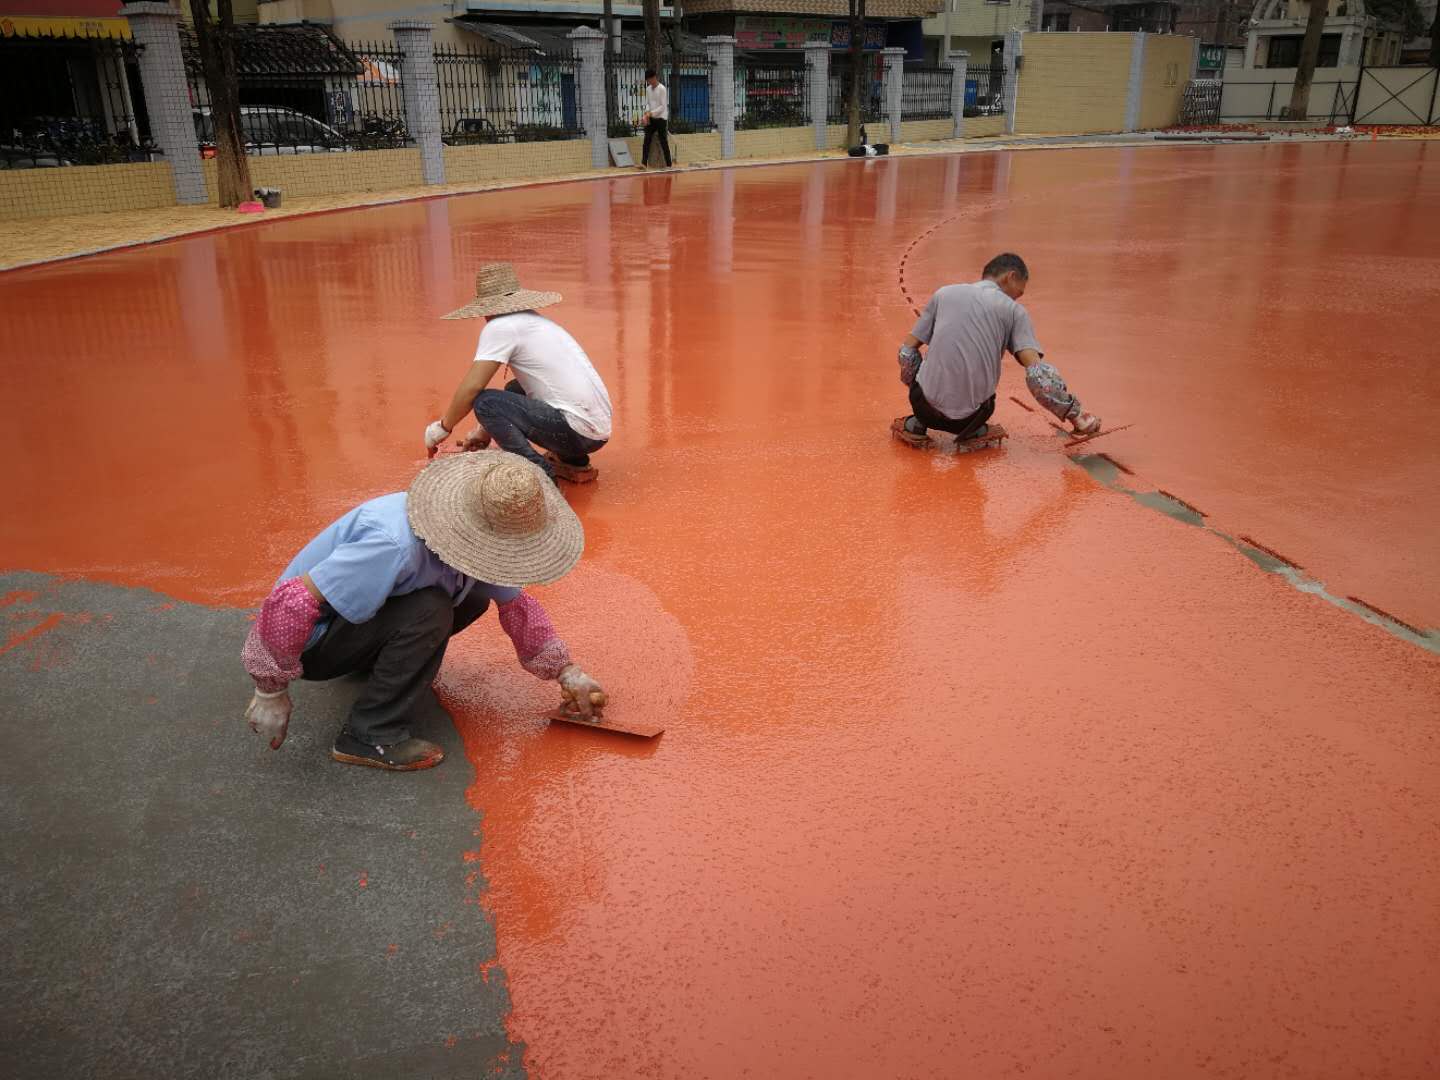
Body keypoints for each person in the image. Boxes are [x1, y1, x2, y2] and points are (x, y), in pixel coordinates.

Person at [241, 451, 606, 772]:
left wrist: (566, 672)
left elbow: (517, 606)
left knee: (472, 598)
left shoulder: (468, 539)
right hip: (308, 643)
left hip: (349, 624)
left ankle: (378, 667)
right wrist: (270, 692)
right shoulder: (392, 542)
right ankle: (369, 734)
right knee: (430, 609)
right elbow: (292, 601)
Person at [425, 262, 613, 484]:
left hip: (577, 431)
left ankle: (540, 474)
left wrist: (441, 428)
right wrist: (484, 432)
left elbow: (473, 387)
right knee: (515, 388)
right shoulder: (533, 320)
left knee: (486, 402)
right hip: (596, 430)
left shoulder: (501, 327)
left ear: (486, 307)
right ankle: (574, 462)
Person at [894, 253, 1100, 446]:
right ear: (1010, 277)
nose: (1017, 298)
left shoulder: (944, 294)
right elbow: (1039, 378)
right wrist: (1076, 414)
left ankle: (918, 423)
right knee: (994, 393)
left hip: (922, 406)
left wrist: (919, 388)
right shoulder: (1013, 311)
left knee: (918, 366)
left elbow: (906, 352)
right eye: (1019, 292)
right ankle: (974, 431)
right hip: (970, 419)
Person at [639, 69, 672, 170]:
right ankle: (644, 163)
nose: (649, 82)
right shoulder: (648, 89)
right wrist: (646, 114)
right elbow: (648, 103)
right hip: (651, 118)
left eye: (649, 80)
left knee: (663, 141)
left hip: (661, 118)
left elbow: (663, 106)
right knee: (647, 139)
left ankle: (669, 164)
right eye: (647, 81)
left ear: (654, 78)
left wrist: (650, 113)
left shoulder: (662, 89)